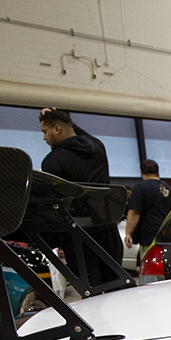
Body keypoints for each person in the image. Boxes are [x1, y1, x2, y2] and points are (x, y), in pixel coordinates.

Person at [39, 108, 121, 287]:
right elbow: (81, 135)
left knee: (90, 291)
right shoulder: (97, 148)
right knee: (117, 287)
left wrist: (57, 239)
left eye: (45, 132)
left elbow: (55, 205)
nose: (44, 138)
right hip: (107, 230)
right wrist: (65, 119)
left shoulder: (52, 161)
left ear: (57, 129)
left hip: (77, 236)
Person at [124, 160, 171, 252]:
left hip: (149, 238)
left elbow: (134, 212)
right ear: (158, 172)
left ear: (141, 172)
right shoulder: (169, 189)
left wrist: (128, 233)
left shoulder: (140, 188)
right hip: (167, 237)